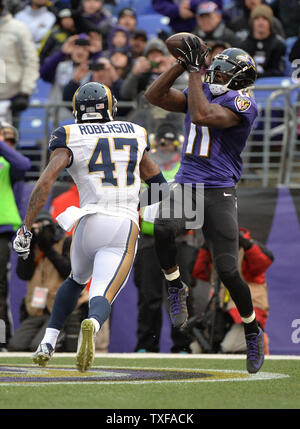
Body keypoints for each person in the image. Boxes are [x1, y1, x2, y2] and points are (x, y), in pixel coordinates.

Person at [13, 82, 168, 372]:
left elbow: (45, 182)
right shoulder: (135, 132)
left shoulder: (69, 133)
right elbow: (160, 186)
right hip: (122, 222)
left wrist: (26, 227)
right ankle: (92, 324)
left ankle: (47, 341)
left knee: (74, 280)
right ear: (111, 107)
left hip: (86, 222)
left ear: (77, 109)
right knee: (101, 293)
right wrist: (135, 200)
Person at [144, 36, 265, 373]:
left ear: (238, 79)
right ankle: (175, 285)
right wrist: (180, 65)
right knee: (164, 227)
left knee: (227, 269)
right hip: (188, 183)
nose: (215, 72)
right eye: (215, 66)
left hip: (220, 191)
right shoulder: (202, 87)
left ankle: (252, 329)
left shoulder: (244, 104)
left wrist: (194, 72)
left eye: (223, 70)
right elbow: (153, 96)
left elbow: (200, 114)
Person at [135, 123, 196, 354]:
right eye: (161, 143)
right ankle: (146, 344)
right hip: (150, 239)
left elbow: (194, 200)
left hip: (178, 239)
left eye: (169, 143)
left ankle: (183, 344)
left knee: (182, 294)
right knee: (148, 296)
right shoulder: (144, 168)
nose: (165, 147)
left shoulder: (184, 167)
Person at [192, 228, 274, 354]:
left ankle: (259, 339)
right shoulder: (214, 251)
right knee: (197, 348)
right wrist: (207, 246)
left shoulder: (247, 247)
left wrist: (246, 244)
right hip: (220, 312)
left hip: (247, 312)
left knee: (228, 347)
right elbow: (197, 271)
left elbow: (263, 263)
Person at [8, 211, 76, 352]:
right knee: (15, 346)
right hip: (36, 310)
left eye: (41, 228)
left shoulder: (66, 242)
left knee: (37, 346)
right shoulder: (34, 248)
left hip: (58, 308)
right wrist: (29, 247)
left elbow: (69, 271)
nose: (38, 232)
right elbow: (23, 274)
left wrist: (48, 249)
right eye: (35, 229)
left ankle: (60, 338)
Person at [0, 122, 31, 350]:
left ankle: (1, 338)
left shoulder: (9, 164)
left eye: (10, 142)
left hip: (2, 230)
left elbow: (23, 163)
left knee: (0, 289)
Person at [0, 0, 39, 127]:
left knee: (8, 142)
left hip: (11, 97)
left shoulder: (18, 28)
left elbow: (31, 61)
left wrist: (25, 91)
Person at [239, 4, 286, 78]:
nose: (261, 22)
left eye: (265, 18)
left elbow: (278, 71)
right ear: (252, 22)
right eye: (257, 18)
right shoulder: (243, 47)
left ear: (270, 22)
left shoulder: (279, 45)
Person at [152, 0, 224, 34]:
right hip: (178, 28)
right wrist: (178, 11)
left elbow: (217, 3)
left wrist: (191, 4)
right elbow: (158, 4)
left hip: (208, 29)